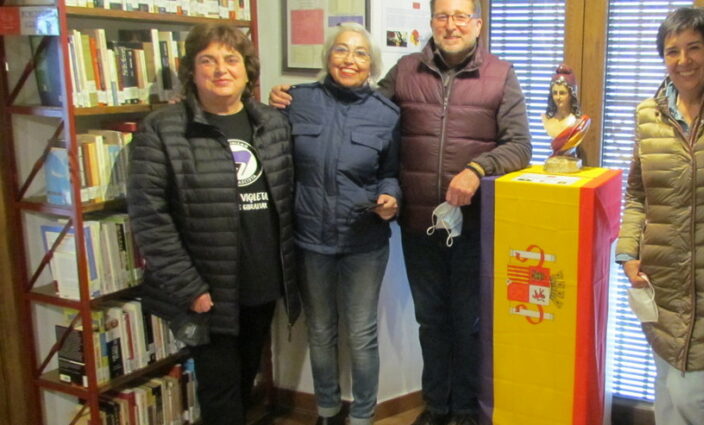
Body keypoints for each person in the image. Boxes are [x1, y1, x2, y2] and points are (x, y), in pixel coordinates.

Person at [269, 1, 531, 423]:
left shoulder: (500, 74)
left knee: (469, 322)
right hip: (419, 224)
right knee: (430, 322)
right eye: (443, 16)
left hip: (474, 223)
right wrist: (292, 97)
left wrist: (476, 169)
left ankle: (464, 409)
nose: (451, 25)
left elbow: (520, 145)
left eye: (461, 16)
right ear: (431, 23)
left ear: (477, 24)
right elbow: (358, 109)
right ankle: (436, 405)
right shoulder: (406, 70)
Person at [127, 23, 300, 425]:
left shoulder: (271, 124)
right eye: (208, 60)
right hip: (207, 290)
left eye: (231, 59)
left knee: (243, 381)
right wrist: (190, 287)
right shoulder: (163, 128)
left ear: (246, 70)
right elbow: (149, 217)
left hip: (261, 282)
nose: (221, 69)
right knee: (220, 392)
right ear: (191, 70)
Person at [615, 7, 704, 425]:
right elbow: (638, 192)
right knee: (666, 386)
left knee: (691, 391)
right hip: (661, 278)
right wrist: (627, 252)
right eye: (672, 51)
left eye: (694, 48)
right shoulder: (649, 114)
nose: (683, 60)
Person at [283, 23, 401, 425]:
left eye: (360, 53)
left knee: (361, 335)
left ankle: (363, 417)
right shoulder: (297, 101)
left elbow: (391, 172)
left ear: (372, 65)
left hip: (364, 241)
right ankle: (328, 412)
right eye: (341, 50)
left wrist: (392, 198)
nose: (350, 60)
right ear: (327, 57)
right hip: (310, 239)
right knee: (319, 332)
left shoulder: (386, 114)